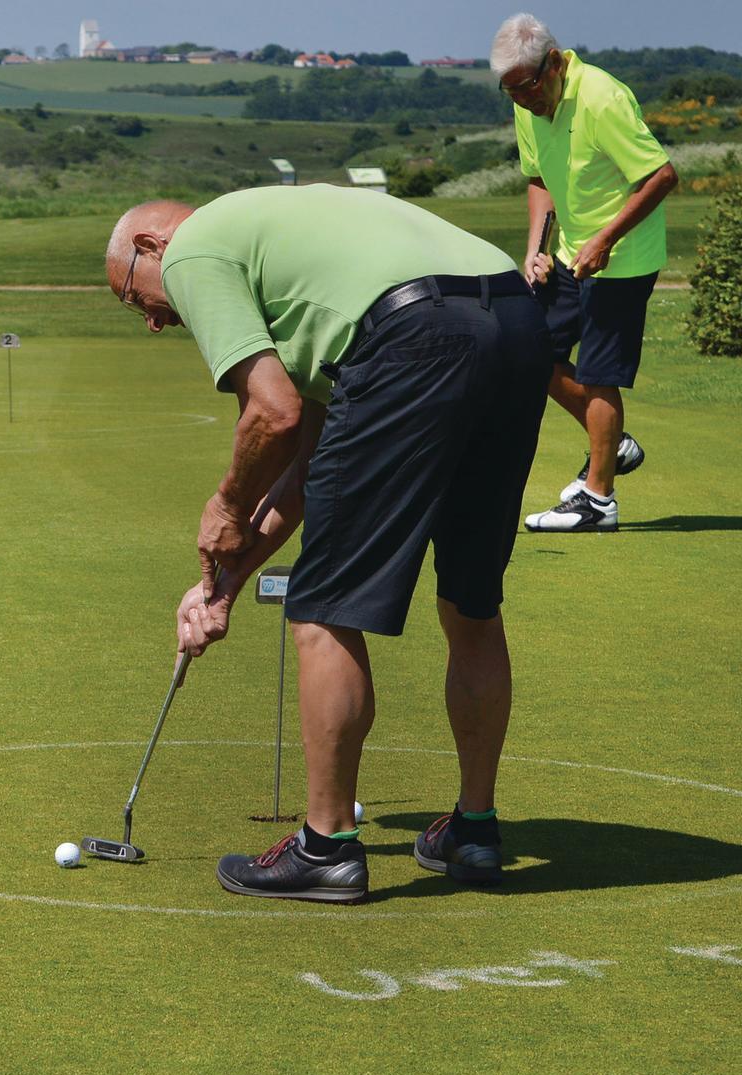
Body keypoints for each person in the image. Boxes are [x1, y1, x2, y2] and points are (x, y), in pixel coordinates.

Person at [106, 187, 550, 903]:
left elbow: (273, 414)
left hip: (410, 334)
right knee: (470, 601)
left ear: (151, 247)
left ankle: (326, 847)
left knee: (322, 611)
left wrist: (226, 505)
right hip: (519, 326)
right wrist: (225, 585)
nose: (155, 321)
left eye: (135, 299)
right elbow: (310, 466)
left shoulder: (193, 249)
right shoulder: (283, 253)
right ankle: (474, 832)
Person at [495, 13, 679, 533]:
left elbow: (661, 175)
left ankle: (598, 500)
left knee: (599, 373)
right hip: (571, 252)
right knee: (534, 350)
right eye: (511, 92)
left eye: (528, 87)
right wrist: (536, 250)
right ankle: (612, 444)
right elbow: (539, 179)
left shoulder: (601, 97)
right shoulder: (528, 104)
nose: (523, 100)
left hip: (623, 257)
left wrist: (606, 239)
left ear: (554, 62)